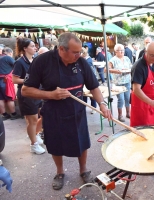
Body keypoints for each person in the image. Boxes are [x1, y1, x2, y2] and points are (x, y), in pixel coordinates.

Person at [21, 32, 112, 190]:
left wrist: (103, 104)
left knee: (82, 142)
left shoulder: (81, 62)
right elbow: (26, 90)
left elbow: (93, 86)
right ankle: (60, 172)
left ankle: (83, 170)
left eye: (80, 51)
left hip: (77, 111)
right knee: (55, 143)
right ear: (62, 49)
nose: (79, 55)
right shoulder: (42, 61)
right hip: (53, 112)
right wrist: (50, 94)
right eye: (75, 52)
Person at [12, 38, 45, 155]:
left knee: (43, 115)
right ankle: (33, 145)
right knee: (32, 120)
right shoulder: (19, 62)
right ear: (25, 48)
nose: (35, 48)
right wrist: (29, 80)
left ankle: (35, 135)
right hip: (26, 95)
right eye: (32, 46)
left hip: (38, 92)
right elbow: (14, 79)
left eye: (35, 46)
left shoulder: (35, 60)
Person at [130, 41, 154, 127]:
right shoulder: (139, 66)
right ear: (146, 51)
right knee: (142, 131)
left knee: (152, 130)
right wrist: (150, 102)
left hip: (153, 104)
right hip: (141, 106)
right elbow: (136, 89)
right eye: (152, 55)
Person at [107, 44, 132, 122]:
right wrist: (116, 71)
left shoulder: (127, 58)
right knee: (121, 99)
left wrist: (129, 70)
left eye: (122, 50)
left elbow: (131, 67)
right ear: (115, 51)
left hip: (127, 81)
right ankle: (120, 115)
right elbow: (106, 69)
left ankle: (128, 113)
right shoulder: (113, 60)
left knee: (127, 98)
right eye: (120, 50)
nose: (122, 52)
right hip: (118, 83)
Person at [0, 47, 19, 120]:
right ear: (10, 53)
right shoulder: (8, 58)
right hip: (5, 81)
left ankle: (4, 114)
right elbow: (17, 66)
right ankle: (13, 114)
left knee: (0, 99)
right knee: (9, 98)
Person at [81, 47, 97, 114]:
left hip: (89, 79)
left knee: (91, 95)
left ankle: (94, 108)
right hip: (84, 80)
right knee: (84, 95)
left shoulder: (88, 61)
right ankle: (83, 108)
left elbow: (90, 73)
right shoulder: (85, 60)